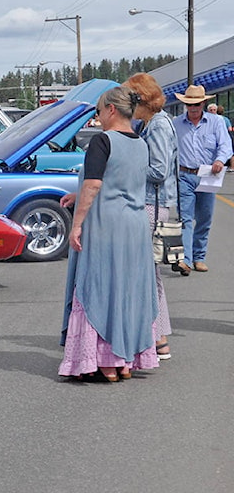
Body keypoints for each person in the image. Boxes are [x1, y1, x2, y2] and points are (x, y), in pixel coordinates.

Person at [58, 86, 159, 382]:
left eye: (99, 110)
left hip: (107, 226)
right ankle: (125, 360)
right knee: (128, 290)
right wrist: (79, 195)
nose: (99, 117)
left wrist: (77, 224)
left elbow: (95, 184)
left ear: (111, 110)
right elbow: (121, 180)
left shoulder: (103, 141)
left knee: (99, 286)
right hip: (135, 225)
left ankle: (104, 361)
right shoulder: (140, 143)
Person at [127, 73, 176, 359]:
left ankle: (157, 337)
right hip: (157, 204)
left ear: (140, 100)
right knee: (152, 273)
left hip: (152, 205)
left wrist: (126, 168)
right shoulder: (152, 123)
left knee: (148, 273)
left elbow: (158, 170)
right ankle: (159, 337)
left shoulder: (157, 126)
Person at [172, 85, 232, 274]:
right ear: (185, 105)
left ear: (203, 103)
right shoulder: (176, 124)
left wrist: (220, 160)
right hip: (184, 175)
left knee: (204, 218)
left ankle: (199, 257)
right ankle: (187, 260)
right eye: (190, 104)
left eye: (197, 104)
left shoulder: (216, 122)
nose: (194, 108)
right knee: (186, 219)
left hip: (208, 176)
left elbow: (225, 145)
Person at [208, 103, 234, 172]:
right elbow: (230, 128)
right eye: (211, 110)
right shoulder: (205, 120)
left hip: (223, 137)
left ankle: (231, 166)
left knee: (228, 151)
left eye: (214, 110)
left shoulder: (222, 119)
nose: (213, 111)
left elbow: (229, 129)